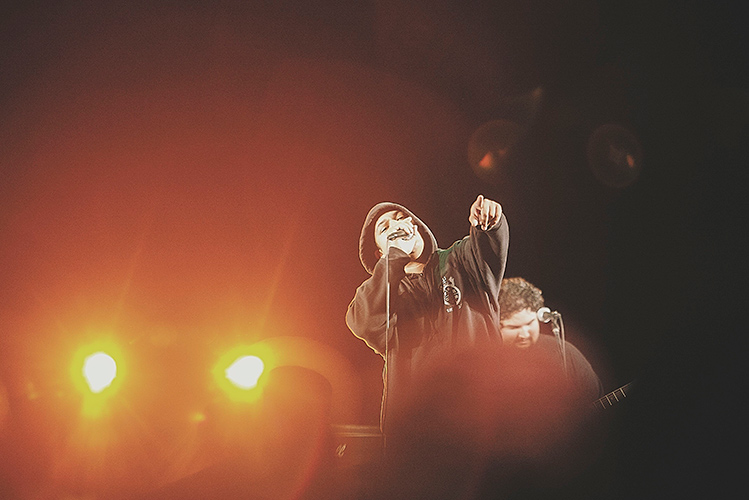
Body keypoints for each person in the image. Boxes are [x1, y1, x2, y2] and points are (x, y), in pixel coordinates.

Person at [346, 194, 509, 434]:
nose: (396, 226)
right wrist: (394, 257)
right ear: (380, 253)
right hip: (418, 429)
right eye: (384, 228)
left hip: (481, 418)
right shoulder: (381, 293)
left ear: (417, 227)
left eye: (401, 218)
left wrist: (490, 222)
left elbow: (487, 243)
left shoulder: (459, 260)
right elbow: (363, 322)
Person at [498, 276, 603, 402]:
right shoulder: (486, 363)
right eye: (514, 327)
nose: (524, 334)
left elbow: (595, 397)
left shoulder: (564, 353)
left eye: (530, 323)